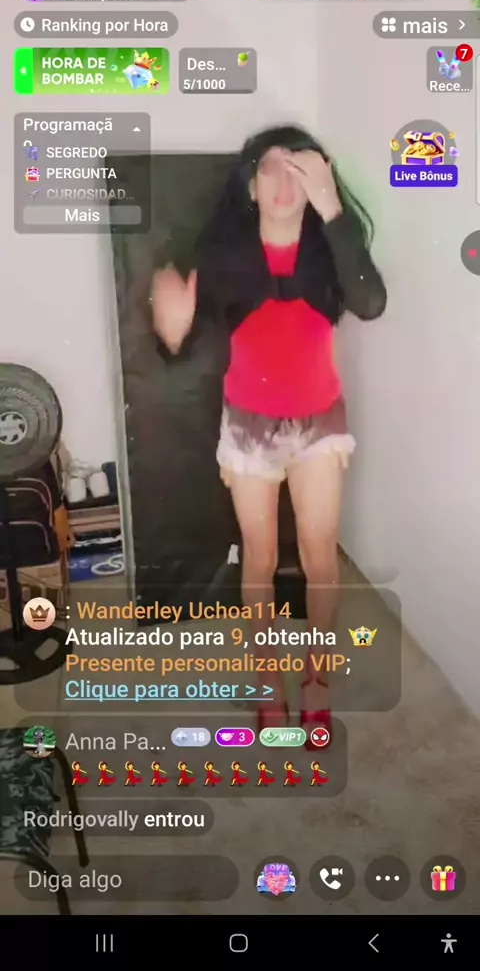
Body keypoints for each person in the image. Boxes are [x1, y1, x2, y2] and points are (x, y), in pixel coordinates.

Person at [151, 125, 386, 750]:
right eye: (269, 170)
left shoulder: (331, 248)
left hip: (319, 424)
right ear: (250, 187)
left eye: (298, 170)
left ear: (317, 181)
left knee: (318, 557)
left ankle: (317, 680)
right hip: (249, 428)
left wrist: (333, 211)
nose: (284, 183)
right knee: (258, 557)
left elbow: (370, 303)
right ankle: (267, 678)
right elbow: (176, 342)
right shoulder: (224, 254)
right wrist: (171, 328)